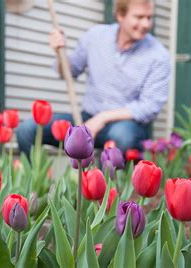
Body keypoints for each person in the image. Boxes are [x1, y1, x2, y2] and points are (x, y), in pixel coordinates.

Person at [16, 0, 170, 159]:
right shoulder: (96, 36)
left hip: (124, 125)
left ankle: (103, 183)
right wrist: (59, 52)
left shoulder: (158, 56)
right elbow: (69, 71)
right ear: (120, 15)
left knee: (123, 137)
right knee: (27, 130)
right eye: (139, 17)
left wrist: (102, 118)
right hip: (86, 119)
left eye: (149, 17)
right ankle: (39, 181)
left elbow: (150, 106)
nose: (145, 24)